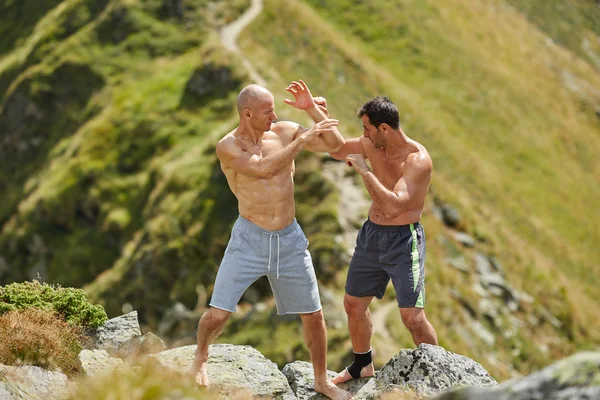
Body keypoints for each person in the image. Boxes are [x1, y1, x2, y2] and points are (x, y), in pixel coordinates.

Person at [188, 80, 352, 400]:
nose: (274, 116)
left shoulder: (284, 131)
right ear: (247, 114)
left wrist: (311, 109)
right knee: (219, 313)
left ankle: (321, 380)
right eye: (267, 111)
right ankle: (201, 356)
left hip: (289, 238)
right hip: (250, 237)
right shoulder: (228, 146)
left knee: (314, 316)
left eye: (275, 109)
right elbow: (262, 170)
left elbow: (336, 144)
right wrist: (301, 141)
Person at [321, 96, 439, 383]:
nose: (363, 136)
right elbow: (336, 148)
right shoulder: (372, 145)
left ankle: (438, 372)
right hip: (372, 236)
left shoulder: (417, 160)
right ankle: (362, 364)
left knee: (412, 317)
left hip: (404, 241)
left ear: (384, 128)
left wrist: (364, 171)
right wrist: (314, 111)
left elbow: (395, 205)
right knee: (353, 305)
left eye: (367, 129)